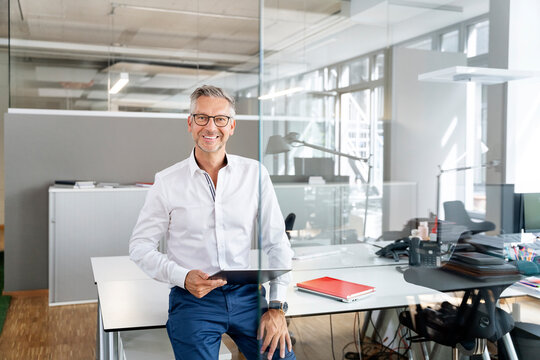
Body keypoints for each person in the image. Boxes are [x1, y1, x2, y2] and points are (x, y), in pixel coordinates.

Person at [129, 85, 296, 360]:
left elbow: (277, 242)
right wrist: (181, 276)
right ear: (190, 123)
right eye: (202, 117)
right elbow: (139, 247)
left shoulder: (255, 174)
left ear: (231, 126)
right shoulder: (167, 182)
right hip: (193, 300)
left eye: (220, 119)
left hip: (247, 296)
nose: (211, 126)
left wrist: (276, 306)